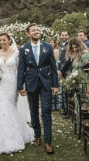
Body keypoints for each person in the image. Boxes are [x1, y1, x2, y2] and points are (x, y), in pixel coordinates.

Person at [0, 33, 34, 154]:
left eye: (4, 40)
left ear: (9, 41)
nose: (2, 42)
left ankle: (15, 134)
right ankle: (1, 137)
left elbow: (19, 69)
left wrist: (21, 85)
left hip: (12, 83)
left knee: (11, 107)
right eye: (0, 40)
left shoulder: (16, 53)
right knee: (2, 106)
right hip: (0, 84)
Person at [17, 23, 59, 154]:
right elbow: (21, 69)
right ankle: (37, 136)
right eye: (33, 30)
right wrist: (20, 86)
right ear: (28, 34)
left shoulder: (47, 46)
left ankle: (48, 142)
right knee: (34, 110)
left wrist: (55, 85)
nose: (36, 31)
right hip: (31, 83)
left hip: (46, 83)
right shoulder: (24, 48)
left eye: (37, 30)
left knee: (46, 110)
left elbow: (53, 67)